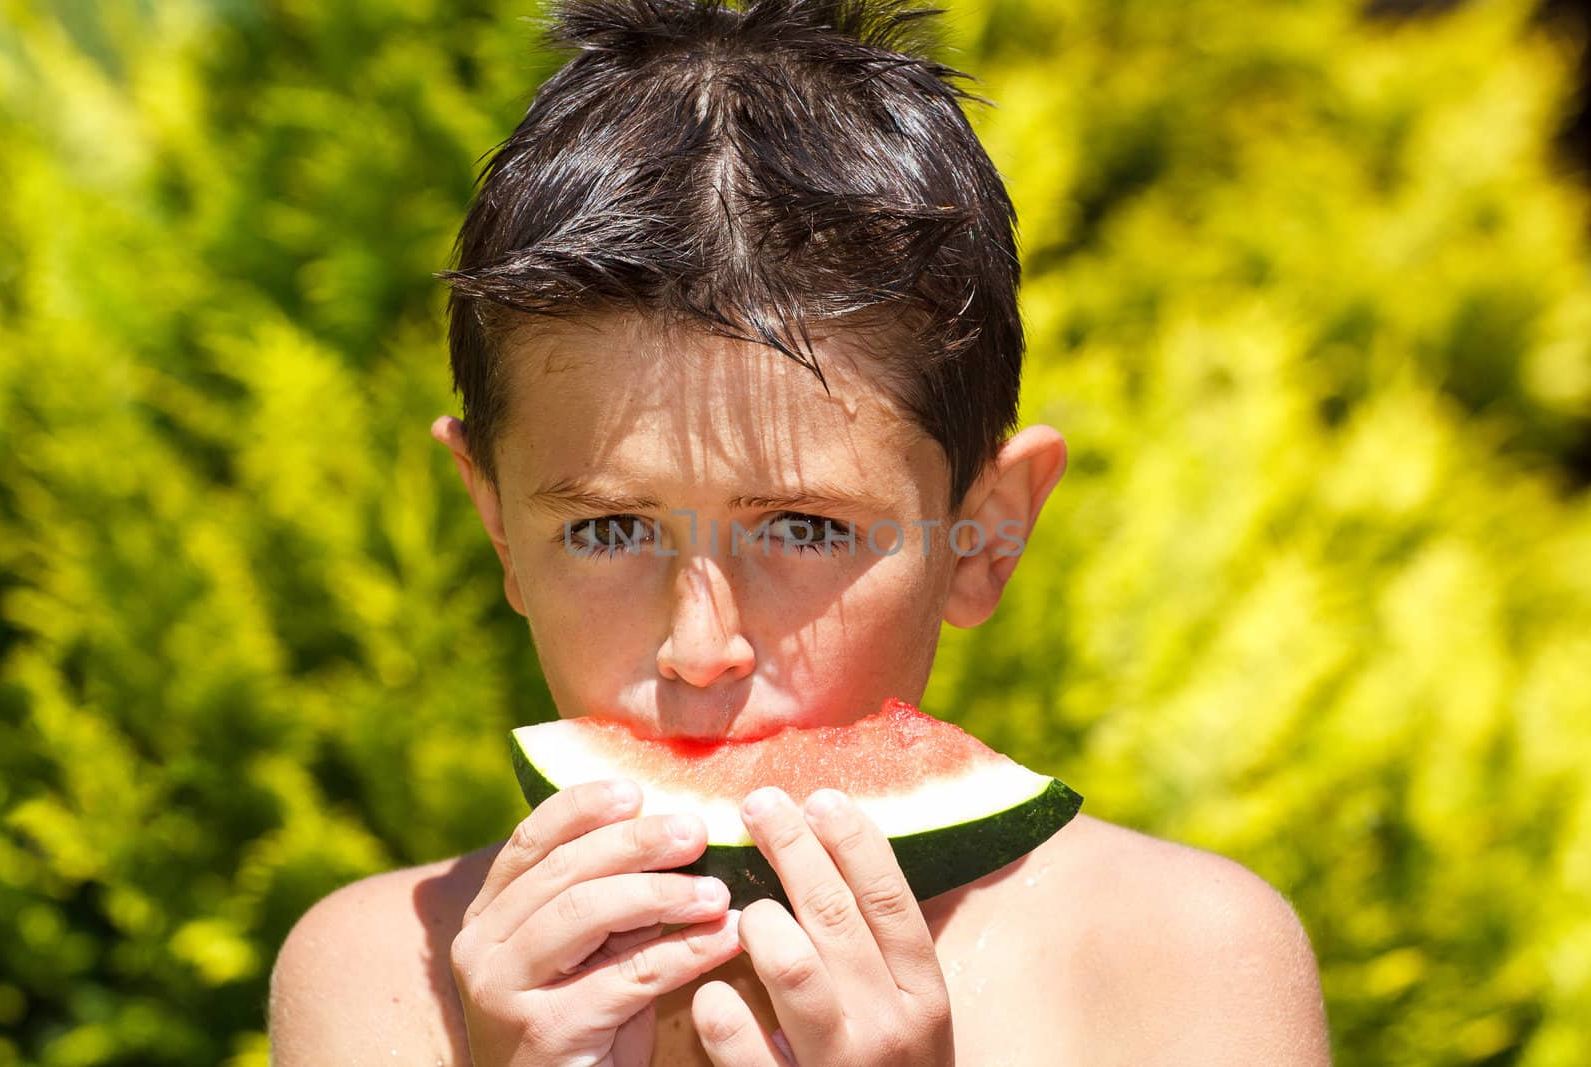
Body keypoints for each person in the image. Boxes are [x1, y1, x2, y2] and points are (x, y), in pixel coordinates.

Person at [268, 0, 1333, 1063]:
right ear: (499, 527)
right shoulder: (381, 979)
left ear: (985, 537)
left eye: (804, 527)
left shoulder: (1181, 961)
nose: (698, 649)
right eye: (606, 530)